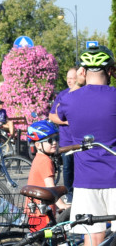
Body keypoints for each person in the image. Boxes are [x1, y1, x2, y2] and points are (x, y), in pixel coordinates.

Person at [58, 44, 116, 246]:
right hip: (114, 176)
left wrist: (80, 84)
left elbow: (61, 116)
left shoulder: (69, 99)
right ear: (110, 71)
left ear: (83, 71)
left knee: (92, 240)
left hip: (86, 180)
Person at [24, 121, 69, 231]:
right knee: (48, 243)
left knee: (39, 244)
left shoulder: (39, 158)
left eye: (56, 139)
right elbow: (50, 187)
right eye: (50, 140)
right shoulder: (45, 161)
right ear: (38, 145)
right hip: (42, 211)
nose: (54, 142)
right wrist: (62, 205)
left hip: (35, 209)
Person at [49, 66, 86, 197]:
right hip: (67, 140)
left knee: (82, 168)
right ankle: (69, 194)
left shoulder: (84, 92)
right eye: (68, 78)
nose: (69, 81)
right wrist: (65, 122)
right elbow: (52, 116)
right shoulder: (63, 95)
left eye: (72, 78)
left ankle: (82, 193)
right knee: (67, 168)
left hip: (82, 140)